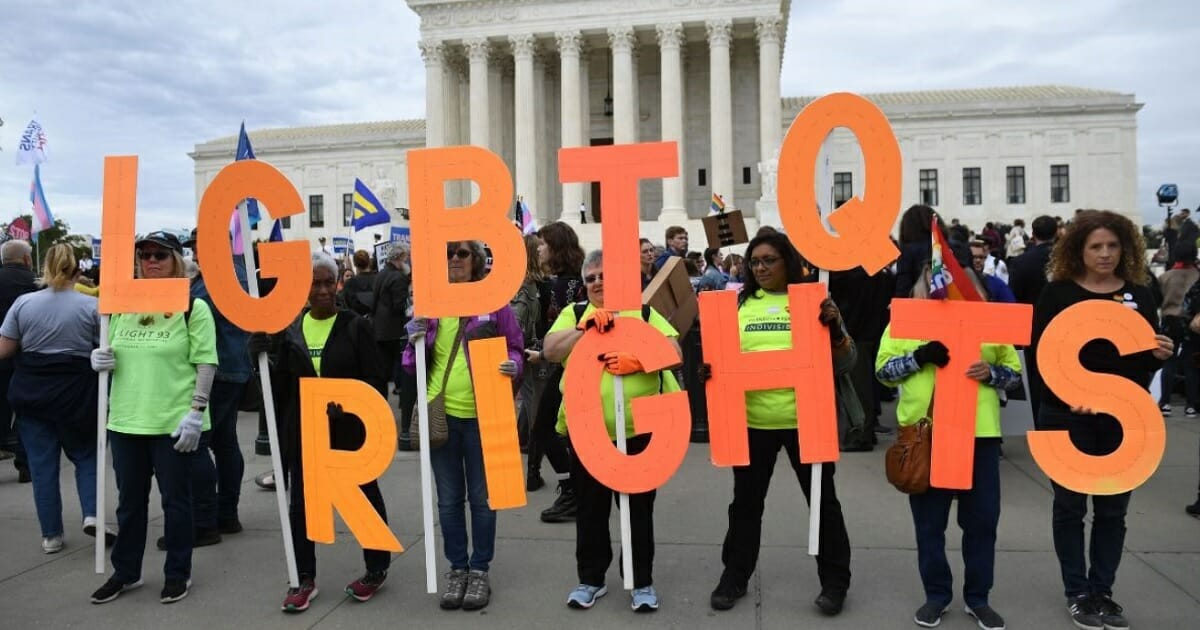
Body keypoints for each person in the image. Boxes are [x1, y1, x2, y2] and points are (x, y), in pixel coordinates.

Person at [1029, 210, 1172, 630]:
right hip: (1065, 414)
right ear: (1079, 250)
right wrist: (1066, 396)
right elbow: (1040, 357)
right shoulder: (1056, 294)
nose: (1106, 254)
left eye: (1112, 246)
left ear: (1125, 248)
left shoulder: (1140, 294)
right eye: (1096, 246)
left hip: (1124, 418)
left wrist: (1161, 353)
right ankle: (1077, 593)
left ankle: (1102, 593)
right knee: (1070, 508)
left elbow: (1140, 359)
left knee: (1112, 512)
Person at [708, 232, 855, 617]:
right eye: (754, 261)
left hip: (807, 421)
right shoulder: (739, 305)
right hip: (754, 423)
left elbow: (846, 361)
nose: (760, 268)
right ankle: (735, 575)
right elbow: (719, 358)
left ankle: (835, 582)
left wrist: (835, 330)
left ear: (787, 262)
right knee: (745, 505)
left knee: (824, 504)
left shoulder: (812, 302)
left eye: (769, 260)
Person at [876, 262, 1021, 630]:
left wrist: (994, 374)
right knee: (929, 524)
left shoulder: (989, 322)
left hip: (980, 437)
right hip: (927, 436)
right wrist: (918, 357)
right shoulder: (905, 321)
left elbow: (1015, 375)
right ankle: (936, 596)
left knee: (982, 522)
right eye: (938, 279)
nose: (946, 286)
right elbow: (882, 371)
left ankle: (978, 599)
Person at [248, 252, 391, 613]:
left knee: (363, 499)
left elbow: (375, 380)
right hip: (305, 430)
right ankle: (304, 579)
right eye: (316, 283)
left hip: (348, 434)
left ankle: (376, 568)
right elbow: (279, 389)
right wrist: (262, 359)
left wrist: (346, 404)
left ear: (338, 283)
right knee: (302, 507)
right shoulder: (290, 330)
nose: (324, 290)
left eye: (329, 282)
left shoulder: (355, 325)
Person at [543, 249, 681, 613]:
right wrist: (581, 330)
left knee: (638, 509)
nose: (597, 283)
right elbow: (550, 350)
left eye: (603, 275)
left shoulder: (644, 313)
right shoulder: (575, 314)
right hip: (588, 430)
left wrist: (639, 359)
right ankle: (591, 579)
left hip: (639, 430)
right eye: (590, 279)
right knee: (590, 508)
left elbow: (674, 350)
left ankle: (640, 581)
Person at [89, 231, 218, 605]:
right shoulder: (122, 306)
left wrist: (196, 412)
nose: (151, 261)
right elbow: (112, 350)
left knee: (176, 502)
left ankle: (178, 573)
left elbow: (206, 361)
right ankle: (125, 572)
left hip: (172, 422)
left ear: (176, 260)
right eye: (144, 255)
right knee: (129, 503)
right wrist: (98, 359)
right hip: (127, 421)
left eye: (160, 254)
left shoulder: (194, 307)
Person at [402, 240, 524, 612]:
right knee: (450, 500)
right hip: (443, 415)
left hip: (485, 414)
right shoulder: (431, 306)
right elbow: (410, 366)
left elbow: (517, 348)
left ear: (476, 261)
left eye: (461, 253)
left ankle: (480, 570)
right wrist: (413, 341)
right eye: (448, 253)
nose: (454, 259)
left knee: (483, 500)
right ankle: (458, 569)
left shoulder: (494, 304)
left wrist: (513, 365)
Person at [0, 244, 109, 554]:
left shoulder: (24, 304)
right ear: (78, 270)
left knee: (42, 465)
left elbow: (4, 349)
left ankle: (51, 535)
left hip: (32, 391)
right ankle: (91, 512)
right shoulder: (92, 306)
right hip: (76, 392)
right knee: (86, 455)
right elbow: (106, 346)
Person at [528, 222, 586, 518]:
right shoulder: (570, 280)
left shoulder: (566, 286)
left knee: (545, 428)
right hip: (568, 363)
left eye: (542, 244)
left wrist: (544, 352)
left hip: (571, 366)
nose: (538, 249)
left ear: (555, 248)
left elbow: (566, 330)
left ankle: (573, 490)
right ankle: (575, 488)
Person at [0, 240, 37, 481]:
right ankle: (25, 464)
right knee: (27, 413)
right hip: (28, 357)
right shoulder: (36, 285)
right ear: (26, 259)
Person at [371, 245, 412, 442]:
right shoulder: (399, 278)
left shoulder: (382, 274)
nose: (407, 262)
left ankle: (380, 405)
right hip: (395, 330)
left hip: (380, 327)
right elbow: (399, 306)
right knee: (404, 369)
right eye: (405, 258)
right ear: (399, 258)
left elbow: (375, 300)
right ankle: (405, 408)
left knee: (382, 371)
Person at [511, 235, 546, 455]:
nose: (544, 250)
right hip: (524, 345)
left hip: (528, 343)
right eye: (540, 247)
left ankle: (523, 437)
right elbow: (519, 317)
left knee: (530, 394)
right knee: (531, 395)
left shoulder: (534, 281)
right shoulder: (524, 283)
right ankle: (531, 441)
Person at [1157, 241, 1199, 416]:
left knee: (1169, 362)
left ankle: (1165, 402)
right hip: (1191, 323)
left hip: (1169, 320)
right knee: (1192, 365)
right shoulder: (1197, 276)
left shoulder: (1165, 277)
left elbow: (1157, 300)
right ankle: (1191, 405)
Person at [341, 250, 377, 317]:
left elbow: (346, 307)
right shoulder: (379, 279)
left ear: (354, 264)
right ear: (369, 261)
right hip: (378, 321)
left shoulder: (349, 284)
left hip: (357, 322)